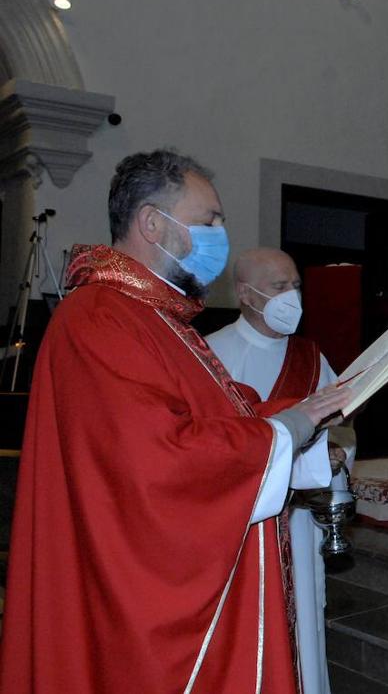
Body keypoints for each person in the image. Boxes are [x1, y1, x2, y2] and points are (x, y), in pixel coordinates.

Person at [0, 150, 354, 692]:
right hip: (140, 602)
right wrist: (287, 430)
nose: (221, 233)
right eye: (209, 220)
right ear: (150, 223)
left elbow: (219, 413)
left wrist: (295, 424)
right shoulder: (100, 318)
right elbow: (156, 464)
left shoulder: (154, 316)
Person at [207, 247, 352, 694]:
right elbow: (210, 448)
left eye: (296, 286)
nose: (293, 297)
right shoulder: (209, 356)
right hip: (238, 531)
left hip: (300, 521)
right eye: (278, 287)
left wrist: (336, 457)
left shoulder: (311, 357)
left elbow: (341, 426)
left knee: (303, 632)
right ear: (246, 295)